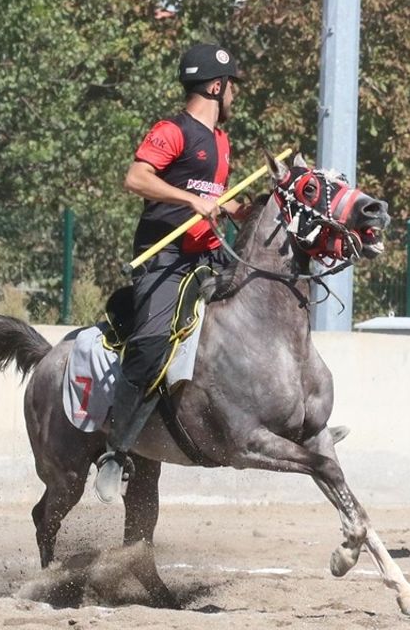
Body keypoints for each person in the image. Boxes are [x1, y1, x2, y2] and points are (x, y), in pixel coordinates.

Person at [95, 42, 250, 503]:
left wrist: (238, 209)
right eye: (233, 88)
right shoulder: (172, 130)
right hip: (165, 260)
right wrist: (189, 200)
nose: (234, 98)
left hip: (211, 257)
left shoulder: (222, 142)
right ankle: (116, 452)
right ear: (217, 86)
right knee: (152, 346)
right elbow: (136, 178)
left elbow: (214, 198)